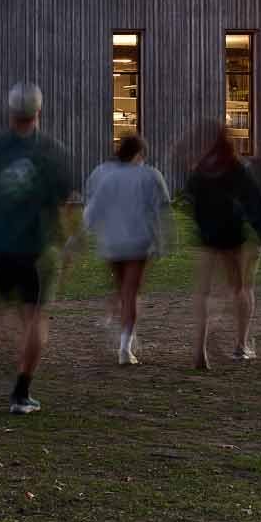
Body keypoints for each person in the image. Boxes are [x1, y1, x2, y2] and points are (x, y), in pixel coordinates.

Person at [0, 82, 77, 419]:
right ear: (38, 111)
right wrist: (65, 241)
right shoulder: (53, 152)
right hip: (35, 248)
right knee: (35, 319)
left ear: (9, 112)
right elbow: (64, 202)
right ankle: (20, 392)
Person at [183, 122, 261, 367]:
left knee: (203, 292)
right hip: (232, 235)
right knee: (240, 288)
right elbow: (255, 202)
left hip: (206, 237)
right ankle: (241, 344)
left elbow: (189, 197)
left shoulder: (201, 169)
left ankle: (200, 349)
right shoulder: (236, 167)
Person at [81, 132, 170, 366]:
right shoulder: (150, 176)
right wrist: (162, 240)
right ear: (139, 154)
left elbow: (93, 207)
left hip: (112, 242)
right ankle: (125, 346)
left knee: (122, 289)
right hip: (138, 241)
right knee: (131, 293)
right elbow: (160, 208)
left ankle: (121, 328)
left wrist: (84, 232)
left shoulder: (107, 176)